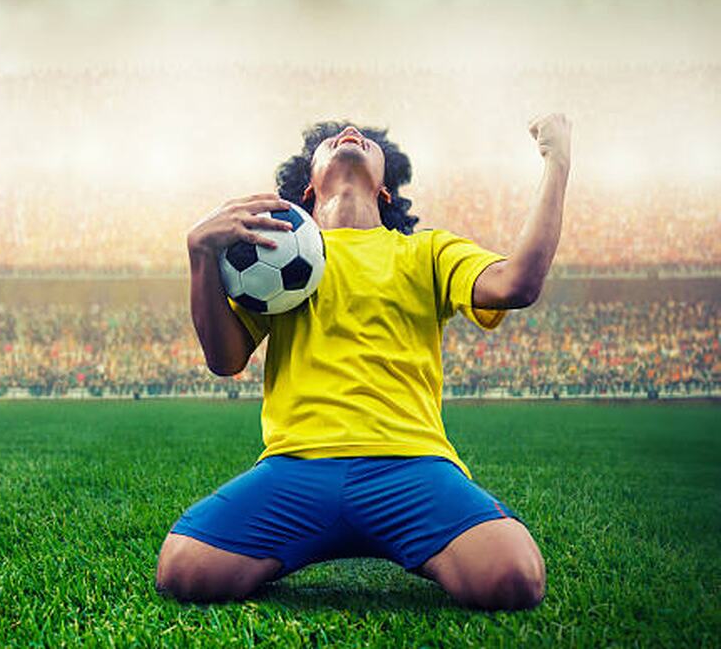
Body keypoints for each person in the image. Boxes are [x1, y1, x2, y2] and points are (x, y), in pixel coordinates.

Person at [157, 115, 572, 610]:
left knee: (513, 578)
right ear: (307, 188)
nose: (351, 134)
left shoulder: (428, 252)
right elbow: (225, 361)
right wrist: (200, 253)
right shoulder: (272, 259)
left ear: (387, 192)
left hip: (412, 466)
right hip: (296, 468)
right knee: (184, 571)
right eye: (330, 140)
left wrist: (558, 161)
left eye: (367, 141)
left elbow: (517, 284)